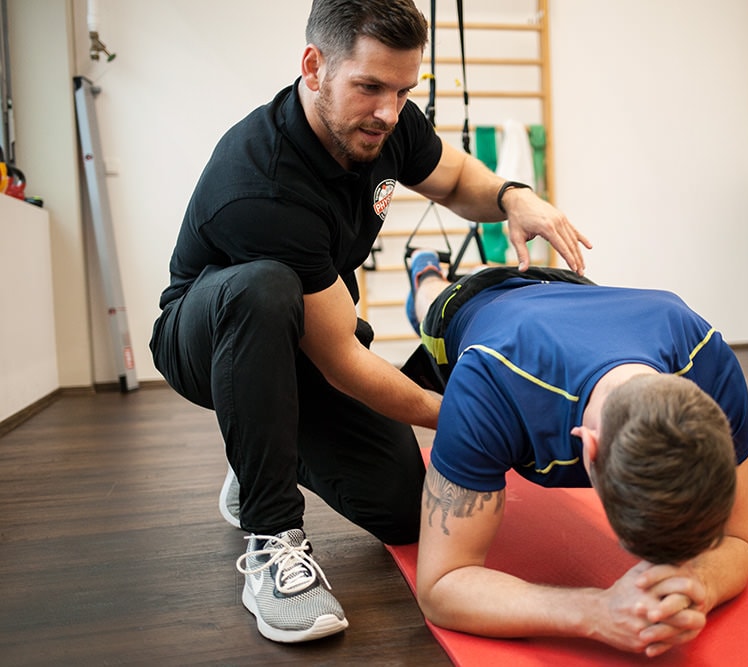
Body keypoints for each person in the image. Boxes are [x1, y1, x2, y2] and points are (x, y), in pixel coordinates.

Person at [148, 0, 591, 645]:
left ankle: (256, 453)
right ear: (314, 67)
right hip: (210, 334)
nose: (388, 111)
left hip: (306, 336)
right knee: (264, 288)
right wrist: (473, 418)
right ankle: (271, 536)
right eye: (370, 87)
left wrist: (512, 197)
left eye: (403, 91)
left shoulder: (387, 122)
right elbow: (343, 362)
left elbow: (454, 178)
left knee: (405, 511)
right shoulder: (262, 183)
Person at [403, 250, 748, 657]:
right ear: (588, 447)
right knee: (431, 300)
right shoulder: (487, 381)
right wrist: (595, 611)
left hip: (575, 293)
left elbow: (738, 540)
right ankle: (425, 271)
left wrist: (699, 585)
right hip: (472, 303)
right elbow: (440, 586)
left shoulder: (709, 360)